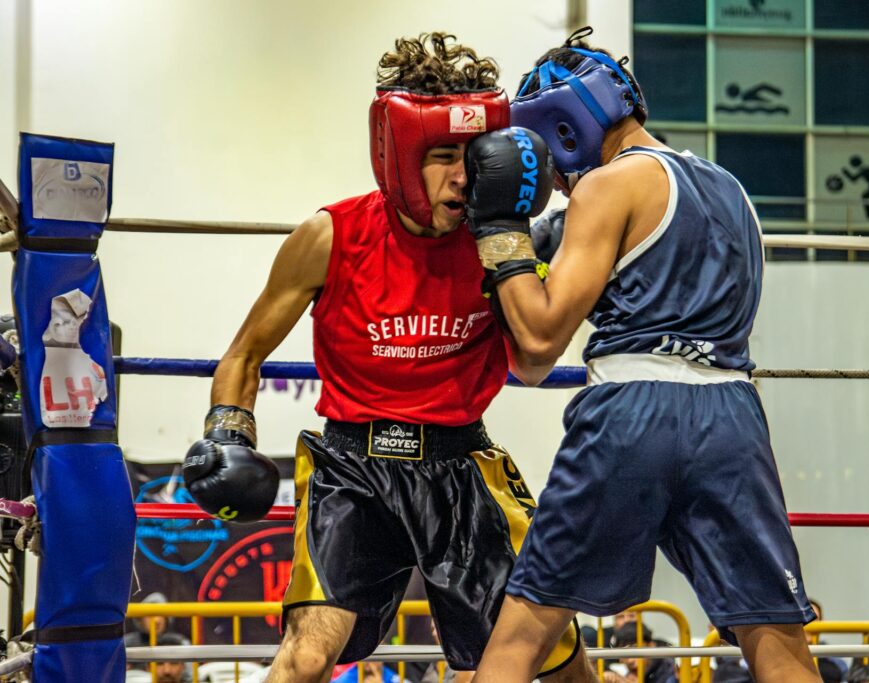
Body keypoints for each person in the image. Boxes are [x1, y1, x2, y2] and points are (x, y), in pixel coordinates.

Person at [180, 32, 588, 683]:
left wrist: (516, 251)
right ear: (399, 152)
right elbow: (245, 354)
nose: (463, 175)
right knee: (306, 655)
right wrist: (227, 435)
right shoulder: (330, 236)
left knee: (557, 663)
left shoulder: (501, 244)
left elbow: (532, 363)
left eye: (474, 154)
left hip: (461, 465)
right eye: (443, 155)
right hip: (354, 468)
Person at [463, 25, 818, 683]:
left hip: (633, 412)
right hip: (735, 415)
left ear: (563, 128)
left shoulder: (608, 186)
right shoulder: (733, 191)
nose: (561, 182)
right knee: (779, 644)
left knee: (518, 640)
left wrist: (501, 233)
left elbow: (537, 346)